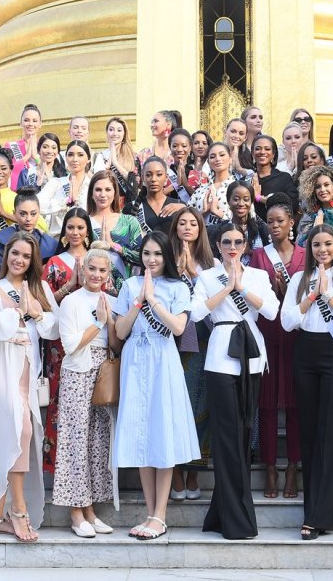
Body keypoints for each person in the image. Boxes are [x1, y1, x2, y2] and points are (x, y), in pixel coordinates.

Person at [0, 232, 60, 542]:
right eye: (15, 253)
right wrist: (12, 317)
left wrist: (36, 312)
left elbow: (54, 328)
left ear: (33, 261)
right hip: (0, 367)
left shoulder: (40, 288)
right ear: (6, 255)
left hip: (28, 372)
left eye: (26, 256)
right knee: (19, 432)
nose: (19, 260)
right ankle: (18, 510)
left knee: (18, 434)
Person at [192, 224, 280, 539]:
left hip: (253, 355)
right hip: (220, 356)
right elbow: (195, 313)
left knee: (243, 434)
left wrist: (241, 288)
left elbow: (272, 311)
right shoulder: (206, 277)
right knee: (226, 436)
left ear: (245, 245)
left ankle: (222, 511)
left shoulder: (257, 275)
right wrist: (226, 288)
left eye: (237, 242)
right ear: (217, 245)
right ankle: (236, 518)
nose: (232, 246)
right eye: (226, 242)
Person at [112, 231, 199, 540]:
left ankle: (160, 516)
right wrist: (139, 301)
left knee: (161, 432)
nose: (151, 259)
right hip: (135, 358)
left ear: (167, 256)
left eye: (158, 254)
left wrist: (153, 301)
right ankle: (150, 513)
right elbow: (120, 331)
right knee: (140, 434)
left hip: (163, 358)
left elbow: (178, 327)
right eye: (147, 253)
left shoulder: (178, 287)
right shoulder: (130, 285)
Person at [280, 224, 333, 540]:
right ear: (309, 248)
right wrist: (312, 295)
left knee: (331, 434)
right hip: (305, 353)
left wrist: (329, 296)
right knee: (310, 434)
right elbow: (288, 322)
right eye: (316, 245)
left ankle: (319, 516)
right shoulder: (300, 280)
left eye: (328, 244)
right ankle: (322, 510)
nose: (322, 250)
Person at [55, 246, 117, 537]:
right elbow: (69, 344)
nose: (96, 274)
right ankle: (75, 512)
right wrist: (99, 323)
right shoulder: (71, 301)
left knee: (96, 442)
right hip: (78, 369)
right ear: (84, 270)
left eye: (102, 270)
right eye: (92, 269)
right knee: (75, 439)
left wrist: (112, 323)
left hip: (102, 371)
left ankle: (90, 509)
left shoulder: (110, 299)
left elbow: (115, 341)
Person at [250, 195, 305, 499]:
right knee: (267, 404)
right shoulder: (259, 256)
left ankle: (293, 467)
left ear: (291, 222)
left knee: (295, 405)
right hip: (268, 334)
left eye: (279, 221)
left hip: (296, 335)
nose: (274, 226)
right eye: (269, 222)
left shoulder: (305, 254)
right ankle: (270, 467)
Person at [42, 208, 98, 474]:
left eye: (80, 227)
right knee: (60, 402)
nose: (75, 232)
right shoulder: (53, 263)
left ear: (87, 230)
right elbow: (43, 303)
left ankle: (89, 468)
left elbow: (111, 296)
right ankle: (61, 467)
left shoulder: (98, 260)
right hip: (60, 346)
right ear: (64, 231)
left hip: (94, 341)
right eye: (70, 227)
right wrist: (70, 284)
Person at [169, 207, 217, 500]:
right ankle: (174, 471)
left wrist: (192, 273)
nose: (187, 228)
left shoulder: (210, 264)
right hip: (170, 341)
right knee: (174, 405)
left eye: (193, 224)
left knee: (200, 404)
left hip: (202, 340)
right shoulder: (163, 258)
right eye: (182, 223)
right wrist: (178, 270)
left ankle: (194, 471)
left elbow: (213, 302)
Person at [87, 170, 142, 292]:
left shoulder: (129, 222)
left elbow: (142, 257)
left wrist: (113, 245)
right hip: (92, 290)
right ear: (91, 193)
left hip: (126, 290)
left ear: (115, 192)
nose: (103, 194)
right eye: (98, 190)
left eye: (108, 189)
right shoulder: (83, 223)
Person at [0, 188, 57, 276]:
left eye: (33, 214)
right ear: (14, 213)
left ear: (39, 213)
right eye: (23, 214)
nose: (28, 219)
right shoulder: (2, 238)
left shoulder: (50, 243)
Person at [39, 140, 93, 235]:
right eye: (71, 155)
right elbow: (37, 205)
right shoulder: (56, 183)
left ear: (88, 158)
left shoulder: (93, 186)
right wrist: (65, 201)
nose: (75, 159)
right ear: (66, 158)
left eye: (80, 155)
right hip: (56, 240)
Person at [92, 117, 141, 213]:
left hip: (129, 206)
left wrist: (115, 163)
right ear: (107, 133)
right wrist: (109, 162)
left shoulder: (133, 156)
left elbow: (136, 183)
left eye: (119, 130)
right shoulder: (100, 156)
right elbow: (98, 182)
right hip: (107, 205)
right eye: (111, 130)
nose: (115, 134)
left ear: (124, 133)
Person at [296, 166, 333, 245]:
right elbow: (300, 246)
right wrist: (315, 230)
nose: (322, 190)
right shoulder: (309, 217)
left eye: (326, 185)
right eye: (318, 187)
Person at [221, 180, 269, 266]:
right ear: (228, 201)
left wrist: (249, 251)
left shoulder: (261, 228)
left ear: (251, 202)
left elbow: (268, 258)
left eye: (246, 199)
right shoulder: (221, 229)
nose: (241, 204)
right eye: (236, 199)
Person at [189, 142, 237, 225]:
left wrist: (218, 213)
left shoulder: (238, 188)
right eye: (212, 157)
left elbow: (245, 221)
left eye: (222, 155)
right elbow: (187, 219)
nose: (217, 159)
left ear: (230, 159)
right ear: (209, 162)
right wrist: (202, 212)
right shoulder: (201, 190)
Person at [138, 156, 187, 236]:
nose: (153, 179)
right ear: (143, 178)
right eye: (148, 175)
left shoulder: (179, 205)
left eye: (159, 174)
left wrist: (184, 208)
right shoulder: (133, 207)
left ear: (166, 178)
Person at [252, 134, 297, 216]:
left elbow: (292, 205)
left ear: (273, 154)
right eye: (258, 149)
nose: (262, 152)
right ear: (252, 153)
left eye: (267, 149)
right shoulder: (247, 180)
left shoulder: (284, 178)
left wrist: (259, 198)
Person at [6, 104, 43, 190]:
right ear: (21, 123)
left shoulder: (45, 146)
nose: (30, 124)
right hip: (17, 193)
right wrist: (26, 157)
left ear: (40, 124)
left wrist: (35, 157)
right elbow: (9, 172)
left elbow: (48, 171)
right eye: (26, 120)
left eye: (34, 121)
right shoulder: (11, 146)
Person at [168, 128, 197, 200]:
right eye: (175, 146)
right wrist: (176, 185)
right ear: (170, 147)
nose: (179, 149)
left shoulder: (198, 174)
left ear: (190, 147)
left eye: (184, 146)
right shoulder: (164, 173)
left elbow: (200, 200)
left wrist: (186, 185)